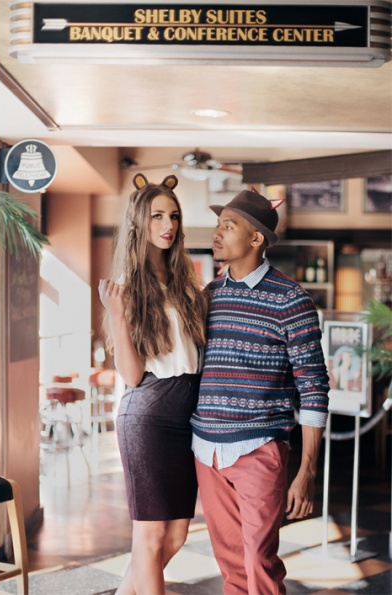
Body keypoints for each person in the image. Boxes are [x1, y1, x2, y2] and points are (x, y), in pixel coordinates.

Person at [191, 189, 330, 594]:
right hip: (206, 448)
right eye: (218, 226)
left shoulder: (291, 300)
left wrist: (306, 471)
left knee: (259, 561)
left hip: (260, 448)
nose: (217, 234)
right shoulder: (209, 295)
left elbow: (314, 388)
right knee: (231, 564)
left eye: (228, 226)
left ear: (256, 239)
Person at [99, 173, 209, 594]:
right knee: (148, 540)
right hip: (148, 414)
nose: (168, 224)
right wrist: (116, 314)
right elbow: (130, 375)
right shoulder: (127, 287)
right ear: (139, 221)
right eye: (157, 215)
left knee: (176, 535)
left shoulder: (186, 283)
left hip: (188, 415)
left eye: (174, 216)